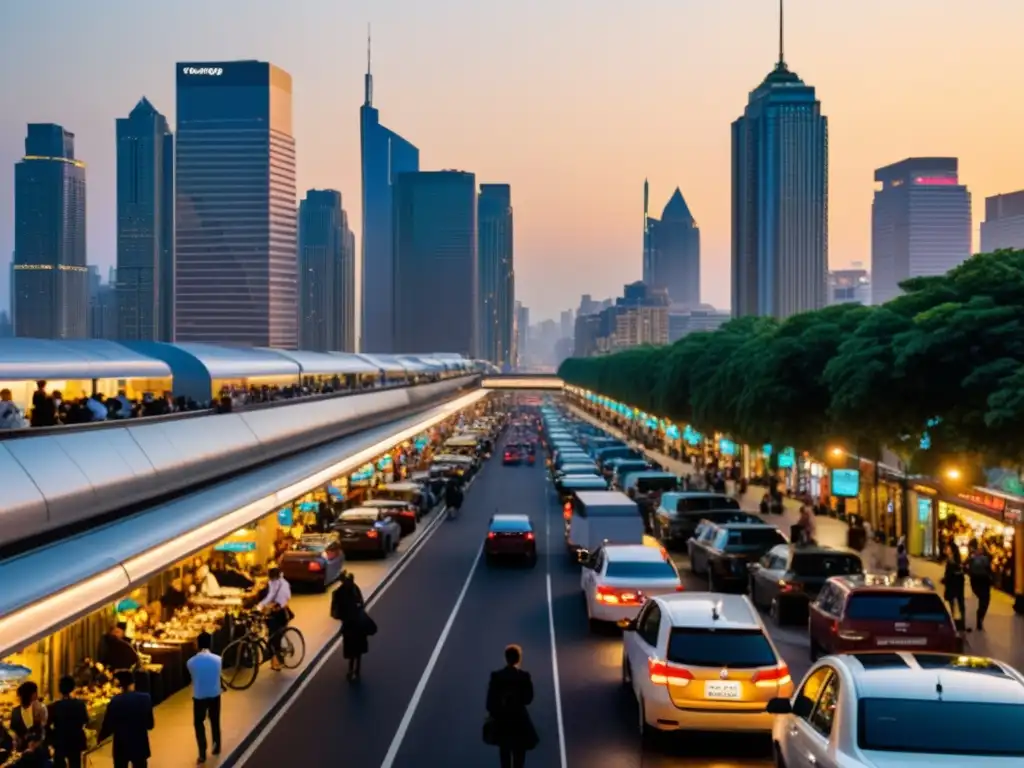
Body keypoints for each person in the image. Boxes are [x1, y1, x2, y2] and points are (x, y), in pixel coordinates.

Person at [486, 645, 538, 768]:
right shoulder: (524, 676)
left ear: (506, 658)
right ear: (518, 659)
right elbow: (528, 699)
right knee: (519, 756)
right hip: (519, 722)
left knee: (504, 756)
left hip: (502, 723)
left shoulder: (496, 676)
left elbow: (490, 703)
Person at [98, 670, 154, 768]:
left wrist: (100, 738)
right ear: (133, 683)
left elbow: (108, 725)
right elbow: (150, 725)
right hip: (139, 744)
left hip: (121, 746)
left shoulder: (115, 701)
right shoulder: (145, 698)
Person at [186, 631, 222, 763]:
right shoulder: (218, 659)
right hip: (215, 693)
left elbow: (192, 677)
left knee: (199, 723)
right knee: (215, 721)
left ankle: (202, 752)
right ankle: (217, 745)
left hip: (199, 695)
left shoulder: (191, 662)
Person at [335, 572, 371, 681]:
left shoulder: (342, 592)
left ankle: (353, 670)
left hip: (351, 625)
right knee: (356, 649)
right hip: (354, 624)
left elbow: (338, 611)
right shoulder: (350, 590)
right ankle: (355, 670)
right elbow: (361, 603)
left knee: (353, 649)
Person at [48, 675, 88, 768]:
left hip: (60, 741)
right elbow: (85, 720)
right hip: (75, 740)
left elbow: (47, 725)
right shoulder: (80, 704)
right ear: (73, 687)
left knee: (59, 764)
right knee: (75, 764)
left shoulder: (54, 706)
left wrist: (52, 737)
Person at [258, 567, 292, 670]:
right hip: (271, 618)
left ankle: (279, 662)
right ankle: (273, 662)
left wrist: (273, 607)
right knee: (272, 638)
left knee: (275, 639)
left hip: (280, 617)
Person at [8, 681, 46, 751]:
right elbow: (12, 729)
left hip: (39, 752)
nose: (37, 695)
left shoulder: (40, 709)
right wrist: (15, 737)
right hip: (22, 751)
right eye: (35, 693)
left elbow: (44, 730)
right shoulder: (15, 711)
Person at [967, 538, 993, 631]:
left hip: (976, 581)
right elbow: (989, 569)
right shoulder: (984, 558)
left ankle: (980, 618)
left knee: (983, 600)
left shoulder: (972, 558)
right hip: (983, 581)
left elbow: (967, 569)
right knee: (985, 600)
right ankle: (980, 618)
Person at [942, 542, 968, 631]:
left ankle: (953, 623)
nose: (947, 550)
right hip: (958, 584)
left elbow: (949, 573)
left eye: (948, 548)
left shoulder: (951, 561)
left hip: (952, 584)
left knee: (952, 604)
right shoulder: (957, 560)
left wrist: (945, 579)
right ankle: (961, 623)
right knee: (959, 604)